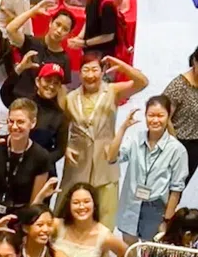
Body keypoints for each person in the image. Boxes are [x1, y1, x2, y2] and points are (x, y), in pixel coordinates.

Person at [61, 53, 149, 230]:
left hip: (105, 162)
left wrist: (121, 65)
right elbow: (60, 128)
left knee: (105, 216)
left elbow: (142, 82)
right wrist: (65, 147)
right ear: (80, 72)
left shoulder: (112, 91)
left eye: (95, 70)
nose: (90, 75)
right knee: (68, 212)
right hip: (78, 163)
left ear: (102, 72)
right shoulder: (70, 98)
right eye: (86, 70)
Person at [109, 95, 189, 245]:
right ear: (145, 116)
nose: (155, 120)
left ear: (168, 117)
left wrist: (166, 221)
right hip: (131, 205)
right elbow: (111, 157)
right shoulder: (135, 139)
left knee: (149, 254)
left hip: (156, 210)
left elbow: (176, 190)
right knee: (129, 251)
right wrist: (123, 128)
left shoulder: (177, 150)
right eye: (151, 115)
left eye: (160, 115)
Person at [0, 103, 51, 223]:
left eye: (20, 122)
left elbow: (34, 203)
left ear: (33, 123)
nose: (14, 127)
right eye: (11, 121)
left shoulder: (41, 156)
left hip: (18, 217)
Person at [53, 183, 126, 257]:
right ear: (69, 205)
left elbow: (127, 254)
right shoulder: (58, 225)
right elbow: (31, 222)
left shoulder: (104, 235)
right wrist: (41, 197)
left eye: (86, 202)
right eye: (76, 203)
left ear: (94, 204)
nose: (81, 207)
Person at [2, 0, 75, 105]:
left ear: (69, 34)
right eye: (58, 24)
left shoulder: (64, 59)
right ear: (50, 23)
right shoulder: (32, 42)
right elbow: (10, 29)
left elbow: (61, 90)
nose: (59, 31)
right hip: (18, 100)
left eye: (65, 29)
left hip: (41, 107)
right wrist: (33, 11)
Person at [163, 47, 198, 179]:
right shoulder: (179, 85)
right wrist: (176, 145)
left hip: (195, 145)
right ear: (194, 61)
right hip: (177, 142)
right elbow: (164, 115)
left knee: (180, 184)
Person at [30, 64, 69, 173]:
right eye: (47, 80)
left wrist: (41, 163)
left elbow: (60, 150)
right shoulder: (25, 104)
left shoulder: (60, 115)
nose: (51, 86)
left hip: (44, 169)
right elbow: (5, 93)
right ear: (38, 81)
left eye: (56, 83)